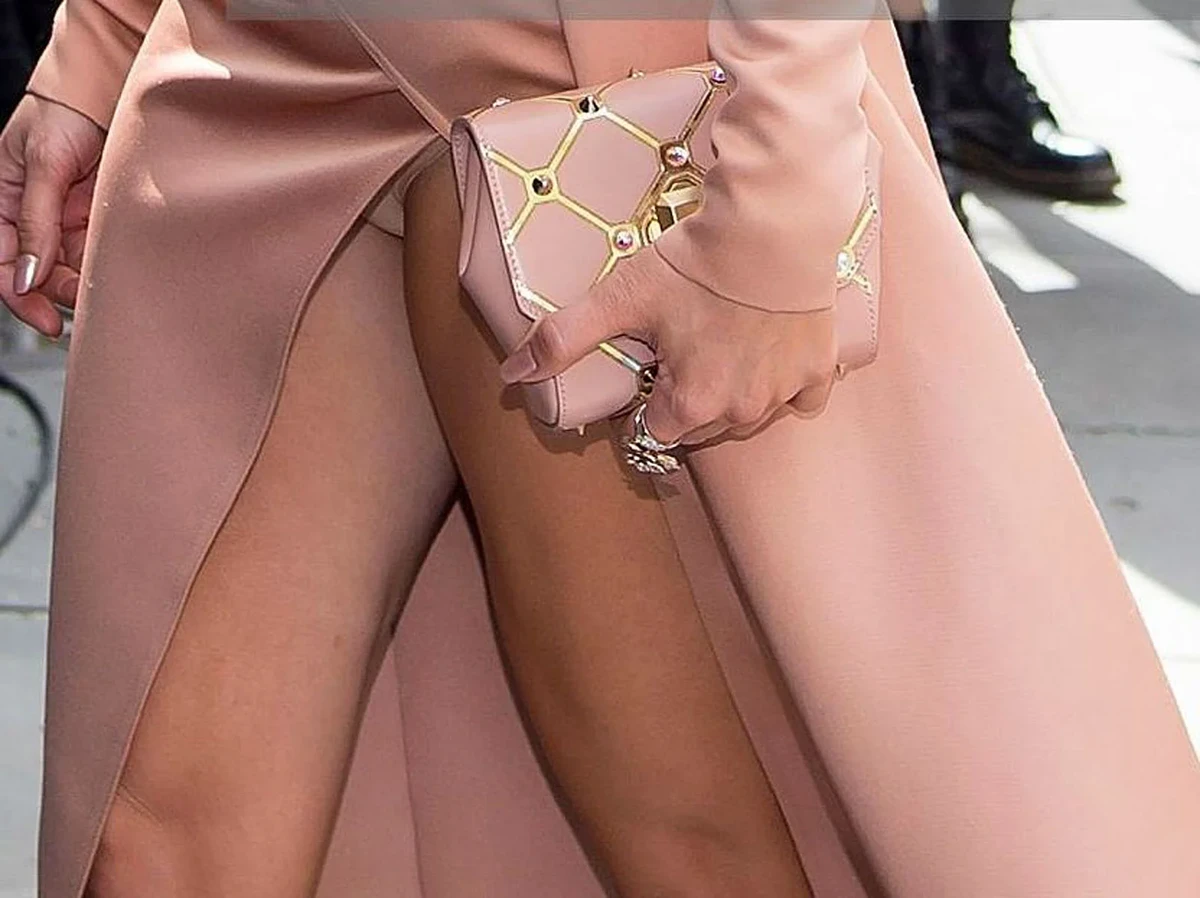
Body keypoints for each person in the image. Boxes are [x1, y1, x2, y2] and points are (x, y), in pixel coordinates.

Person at [3, 1, 1199, 897]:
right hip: (250, 58)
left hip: (576, 88)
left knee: (690, 836)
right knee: (148, 848)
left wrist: (779, 188)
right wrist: (100, 38)